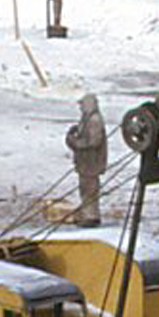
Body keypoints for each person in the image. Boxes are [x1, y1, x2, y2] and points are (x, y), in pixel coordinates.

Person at [65, 93, 108, 225]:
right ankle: (87, 213)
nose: (81, 108)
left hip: (91, 162)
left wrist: (76, 143)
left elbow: (94, 142)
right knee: (85, 188)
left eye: (82, 105)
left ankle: (91, 216)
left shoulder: (94, 120)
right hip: (86, 162)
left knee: (89, 189)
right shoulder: (87, 119)